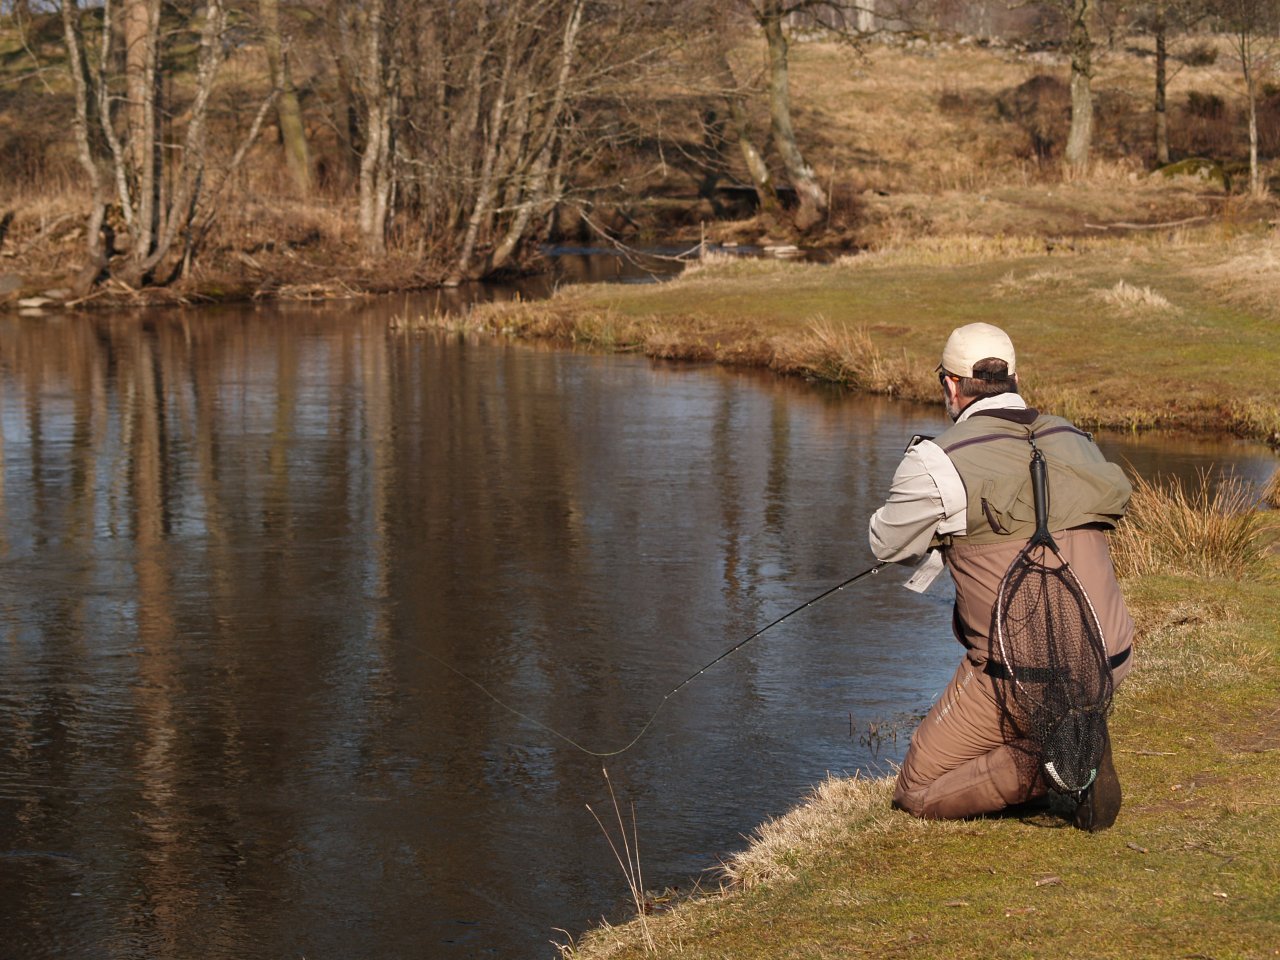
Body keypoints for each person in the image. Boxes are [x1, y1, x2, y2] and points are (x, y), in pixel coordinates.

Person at [869, 322, 1135, 831]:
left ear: (950, 385)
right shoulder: (1075, 437)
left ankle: (1061, 765)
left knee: (918, 790)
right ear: (1014, 376)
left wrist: (943, 529)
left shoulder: (936, 461)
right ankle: (1071, 736)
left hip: (1021, 676)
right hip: (1111, 657)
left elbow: (886, 544)